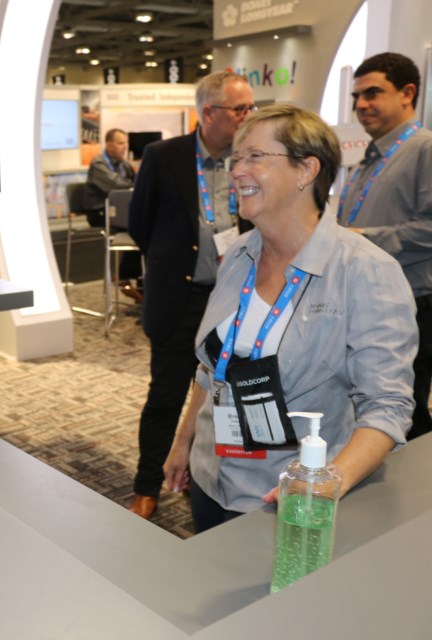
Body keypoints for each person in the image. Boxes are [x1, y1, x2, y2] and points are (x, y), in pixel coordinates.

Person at [163, 104, 417, 532]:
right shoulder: (238, 258)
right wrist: (184, 441)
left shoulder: (364, 271)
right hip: (211, 479)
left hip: (289, 499)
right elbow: (210, 369)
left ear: (306, 170)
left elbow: (387, 407)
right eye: (236, 157)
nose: (238, 170)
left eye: (256, 156)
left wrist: (323, 484)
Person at [126, 71, 255, 519]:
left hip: (233, 302)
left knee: (225, 396)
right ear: (208, 113)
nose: (247, 116)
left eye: (249, 108)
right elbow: (140, 225)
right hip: (179, 300)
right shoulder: (164, 157)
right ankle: (147, 485)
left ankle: (200, 477)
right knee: (165, 396)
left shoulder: (251, 157)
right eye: (239, 109)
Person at [337, 52, 432, 441]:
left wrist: (363, 241)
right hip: (367, 303)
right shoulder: (366, 162)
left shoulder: (424, 148)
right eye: (356, 96)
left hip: (411, 305)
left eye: (373, 93)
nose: (361, 105)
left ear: (407, 93)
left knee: (400, 413)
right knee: (366, 408)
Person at [83, 128, 135, 228]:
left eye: (126, 143)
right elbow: (116, 185)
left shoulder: (123, 164)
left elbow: (136, 180)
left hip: (119, 207)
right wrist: (132, 184)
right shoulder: (98, 164)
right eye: (120, 143)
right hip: (100, 211)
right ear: (109, 146)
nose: (125, 146)